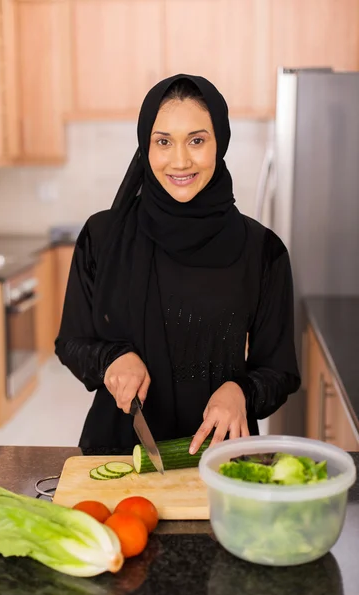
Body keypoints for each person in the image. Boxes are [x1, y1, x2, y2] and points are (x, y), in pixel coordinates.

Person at [55, 74, 300, 456]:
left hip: (221, 459)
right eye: (163, 141)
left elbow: (280, 371)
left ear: (220, 143)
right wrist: (111, 358)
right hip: (118, 457)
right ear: (145, 146)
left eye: (197, 140)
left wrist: (241, 391)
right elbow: (72, 342)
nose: (180, 160)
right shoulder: (102, 237)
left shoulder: (263, 251)